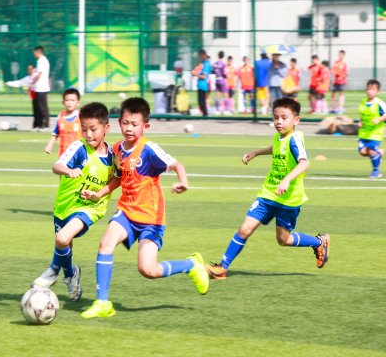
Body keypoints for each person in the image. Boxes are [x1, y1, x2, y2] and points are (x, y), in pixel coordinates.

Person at [79, 97, 209, 319]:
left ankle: (191, 265)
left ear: (145, 126)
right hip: (126, 212)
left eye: (134, 124)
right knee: (106, 243)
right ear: (119, 123)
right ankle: (102, 303)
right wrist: (99, 193)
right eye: (125, 123)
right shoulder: (117, 149)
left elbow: (177, 164)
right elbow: (119, 177)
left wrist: (183, 182)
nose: (129, 128)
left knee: (148, 270)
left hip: (151, 218)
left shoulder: (148, 149)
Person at [205, 98, 330, 280]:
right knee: (244, 229)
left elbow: (304, 163)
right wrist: (256, 152)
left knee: (284, 240)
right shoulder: (280, 137)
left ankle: (318, 242)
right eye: (276, 117)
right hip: (268, 193)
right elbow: (277, 148)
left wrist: (286, 180)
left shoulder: (295, 139)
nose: (279, 122)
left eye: (284, 118)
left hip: (288, 199)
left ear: (296, 120)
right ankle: (222, 268)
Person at [32, 102, 115, 301]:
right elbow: (57, 165)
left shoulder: (114, 156)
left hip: (90, 208)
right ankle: (70, 275)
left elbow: (118, 178)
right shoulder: (79, 147)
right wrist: (68, 170)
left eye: (93, 129)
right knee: (65, 245)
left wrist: (100, 194)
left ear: (106, 128)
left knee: (61, 239)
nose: (88, 134)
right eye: (84, 129)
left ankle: (53, 270)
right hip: (65, 204)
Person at [357, 79, 386, 179]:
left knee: (370, 151)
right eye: (368, 89)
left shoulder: (379, 103)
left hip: (375, 132)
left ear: (378, 91)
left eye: (373, 89)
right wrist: (360, 121)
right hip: (364, 132)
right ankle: (378, 154)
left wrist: (379, 119)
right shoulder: (363, 102)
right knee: (362, 152)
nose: (370, 91)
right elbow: (363, 114)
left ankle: (376, 171)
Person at [45, 88, 82, 156]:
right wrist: (49, 145)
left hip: (78, 154)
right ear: (63, 102)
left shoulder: (81, 116)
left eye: (72, 100)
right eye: (67, 100)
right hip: (64, 154)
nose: (70, 103)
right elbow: (55, 133)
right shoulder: (60, 116)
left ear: (78, 103)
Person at [33, 46, 51, 130]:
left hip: (42, 87)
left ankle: (45, 125)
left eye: (35, 52)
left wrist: (33, 82)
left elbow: (39, 74)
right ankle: (39, 125)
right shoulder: (41, 61)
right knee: (38, 107)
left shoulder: (42, 61)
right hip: (38, 87)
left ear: (38, 52)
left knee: (43, 107)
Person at [191, 49, 212, 116]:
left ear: (203, 55)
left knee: (202, 102)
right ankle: (205, 115)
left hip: (204, 85)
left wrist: (195, 74)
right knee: (201, 102)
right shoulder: (203, 63)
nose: (199, 57)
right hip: (201, 85)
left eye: (200, 55)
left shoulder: (206, 64)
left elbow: (204, 76)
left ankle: (205, 115)